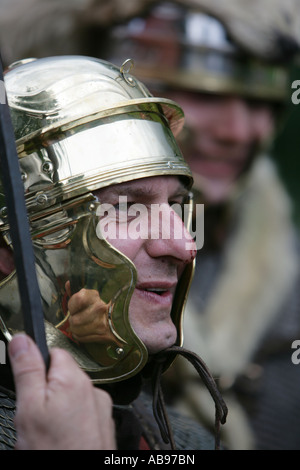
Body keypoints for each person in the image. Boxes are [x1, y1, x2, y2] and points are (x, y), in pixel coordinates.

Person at [0, 54, 227, 450]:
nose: (184, 245)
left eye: (175, 205)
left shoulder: (185, 441)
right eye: (125, 208)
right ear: (10, 244)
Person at [104, 1, 300, 449]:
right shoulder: (51, 277)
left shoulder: (293, 280)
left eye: (260, 103)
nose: (239, 130)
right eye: (208, 95)